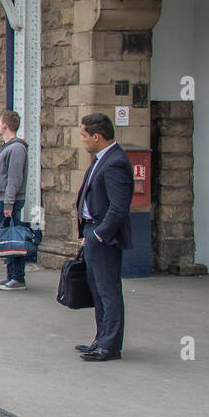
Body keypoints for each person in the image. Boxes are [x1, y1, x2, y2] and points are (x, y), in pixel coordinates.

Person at [75, 113, 133, 361]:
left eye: (84, 135)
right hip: (92, 231)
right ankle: (101, 339)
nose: (82, 139)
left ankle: (110, 345)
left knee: (108, 290)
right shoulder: (101, 159)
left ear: (96, 136)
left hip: (104, 237)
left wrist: (99, 234)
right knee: (97, 290)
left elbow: (119, 207)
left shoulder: (115, 162)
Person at [0, 110, 28, 291]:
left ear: (5, 125)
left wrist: (8, 203)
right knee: (7, 239)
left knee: (14, 239)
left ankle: (18, 277)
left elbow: (14, 179)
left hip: (8, 200)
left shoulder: (16, 148)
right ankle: (10, 274)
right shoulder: (7, 147)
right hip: (1, 198)